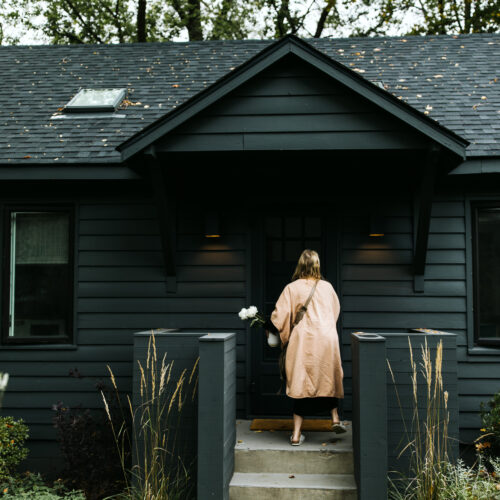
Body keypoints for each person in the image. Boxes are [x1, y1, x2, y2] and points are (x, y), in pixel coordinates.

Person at [266, 249, 345, 446]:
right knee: (328, 376)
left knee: (301, 381)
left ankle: (295, 435)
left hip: (304, 340)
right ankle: (335, 418)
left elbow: (279, 317)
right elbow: (334, 312)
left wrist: (270, 330)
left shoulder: (292, 288)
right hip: (327, 338)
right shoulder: (328, 288)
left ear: (300, 265)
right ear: (317, 265)